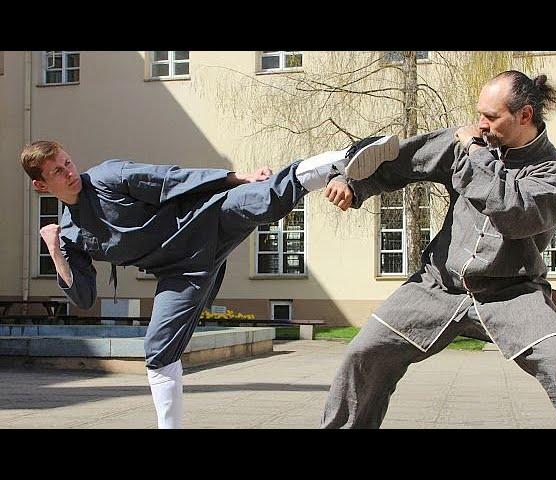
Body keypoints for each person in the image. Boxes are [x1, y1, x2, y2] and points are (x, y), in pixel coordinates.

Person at [20, 134, 399, 428]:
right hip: (179, 273)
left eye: (67, 162)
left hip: (206, 219)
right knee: (157, 350)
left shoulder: (106, 176)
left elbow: (170, 179)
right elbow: (84, 297)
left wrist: (236, 177)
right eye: (57, 171)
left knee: (261, 198)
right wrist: (54, 248)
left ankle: (350, 156)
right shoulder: (69, 234)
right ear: (41, 185)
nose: (69, 172)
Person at [319, 70, 556, 429]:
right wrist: (350, 183)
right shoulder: (466, 142)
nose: (480, 124)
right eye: (480, 113)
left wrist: (473, 152)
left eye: (492, 117)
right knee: (364, 354)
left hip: (513, 293)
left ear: (525, 115)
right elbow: (399, 160)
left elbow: (514, 213)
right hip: (437, 286)